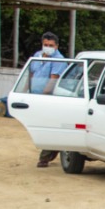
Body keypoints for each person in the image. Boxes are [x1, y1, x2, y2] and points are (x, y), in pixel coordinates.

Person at [31, 32, 68, 167]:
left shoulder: (59, 59)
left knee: (50, 126)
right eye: (45, 45)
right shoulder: (37, 56)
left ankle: (45, 157)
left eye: (51, 45)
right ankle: (50, 151)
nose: (48, 47)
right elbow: (31, 73)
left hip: (49, 99)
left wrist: (44, 95)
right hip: (35, 96)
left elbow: (53, 80)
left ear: (56, 46)